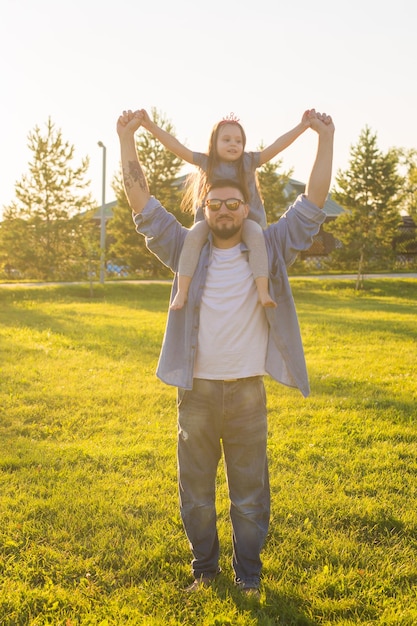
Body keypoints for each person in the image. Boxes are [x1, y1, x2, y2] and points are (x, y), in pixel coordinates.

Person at [116, 108, 334, 596]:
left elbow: (312, 203)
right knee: (195, 496)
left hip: (246, 395)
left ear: (247, 205)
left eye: (234, 204)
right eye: (216, 204)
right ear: (205, 206)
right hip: (195, 393)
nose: (226, 211)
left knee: (250, 496)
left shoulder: (270, 247)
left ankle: (249, 577)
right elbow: (142, 204)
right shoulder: (183, 248)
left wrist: (324, 139)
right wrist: (128, 139)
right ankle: (205, 570)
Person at [136, 108, 313, 309]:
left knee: (256, 238)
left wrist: (301, 127)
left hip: (248, 220)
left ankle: (263, 291)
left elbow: (277, 147)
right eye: (227, 140)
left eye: (238, 141)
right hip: (209, 220)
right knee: (193, 237)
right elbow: (177, 147)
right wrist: (150, 126)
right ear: (214, 143)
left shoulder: (249, 161)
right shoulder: (207, 161)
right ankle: (182, 292)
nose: (233, 144)